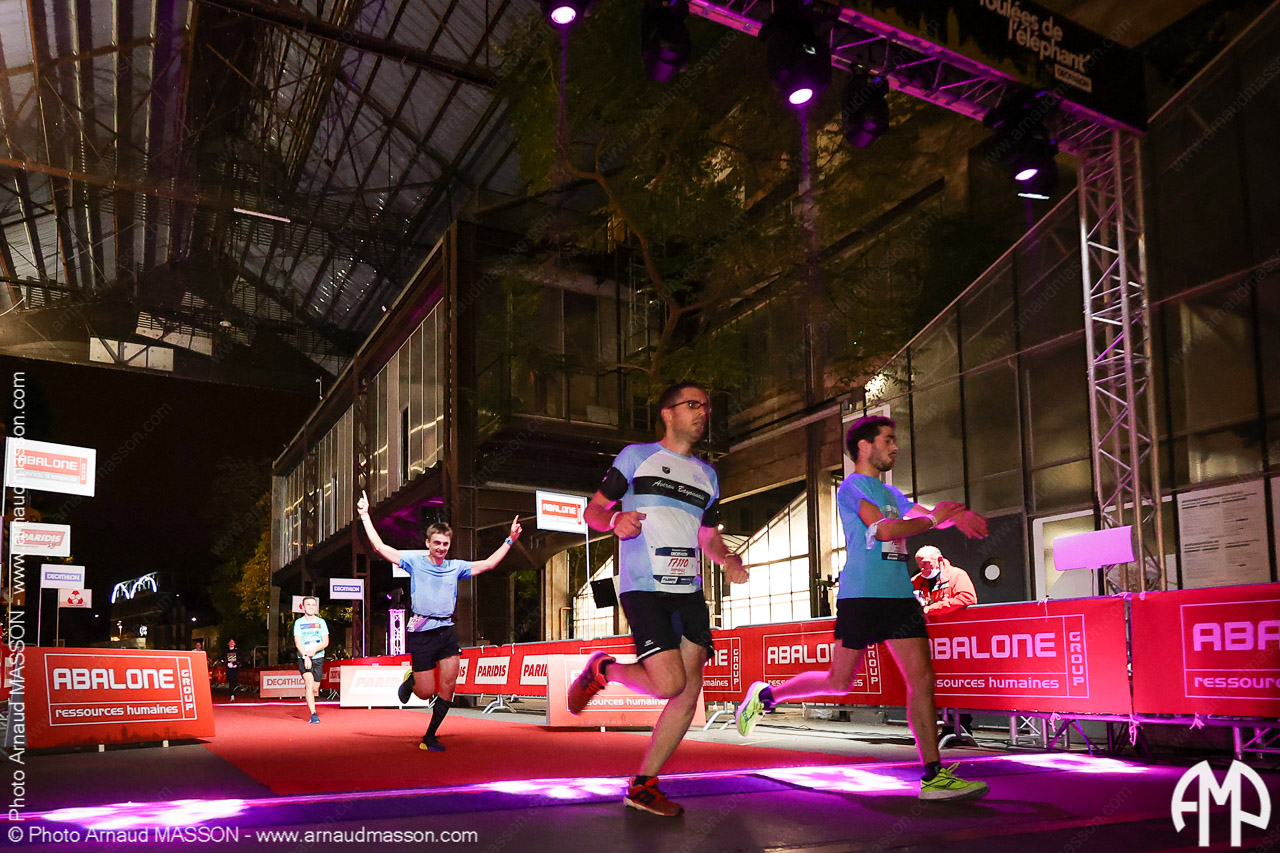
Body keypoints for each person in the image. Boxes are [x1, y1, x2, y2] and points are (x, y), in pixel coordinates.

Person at [735, 415, 991, 801]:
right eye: (888, 440)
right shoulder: (852, 487)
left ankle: (933, 775)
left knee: (922, 680)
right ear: (864, 447)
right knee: (839, 682)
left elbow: (925, 516)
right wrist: (935, 519)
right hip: (862, 596)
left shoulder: (891, 492)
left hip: (900, 599)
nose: (895, 446)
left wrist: (955, 515)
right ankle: (766, 696)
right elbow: (884, 529)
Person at [567, 381, 749, 817]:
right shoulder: (636, 457)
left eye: (706, 406)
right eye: (693, 404)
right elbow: (592, 511)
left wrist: (728, 558)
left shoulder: (708, 475)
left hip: (689, 591)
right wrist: (615, 519)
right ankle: (604, 669)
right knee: (669, 684)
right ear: (667, 413)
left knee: (689, 690)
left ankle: (643, 784)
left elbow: (708, 536)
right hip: (644, 586)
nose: (702, 412)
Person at [358, 491, 522, 752]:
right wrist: (365, 515)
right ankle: (412, 681)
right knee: (425, 692)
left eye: (445, 544)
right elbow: (380, 547)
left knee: (448, 685)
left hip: (446, 630)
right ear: (427, 543)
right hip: (421, 632)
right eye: (437, 543)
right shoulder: (413, 562)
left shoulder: (455, 567)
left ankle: (430, 736)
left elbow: (489, 564)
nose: (441, 548)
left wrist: (510, 540)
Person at [293, 596, 329, 724]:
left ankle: (313, 697)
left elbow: (326, 641)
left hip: (318, 657)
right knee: (309, 683)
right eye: (308, 605)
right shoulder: (298, 623)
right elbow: (298, 642)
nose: (311, 607)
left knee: (315, 688)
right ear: (303, 607)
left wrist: (314, 650)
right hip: (303, 657)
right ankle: (314, 714)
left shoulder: (321, 622)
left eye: (313, 605)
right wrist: (305, 656)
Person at [911, 546, 977, 616]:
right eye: (919, 564)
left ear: (939, 559)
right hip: (928, 622)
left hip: (952, 620)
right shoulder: (915, 581)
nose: (922, 568)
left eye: (925, 563)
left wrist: (931, 609)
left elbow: (967, 598)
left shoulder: (957, 575)